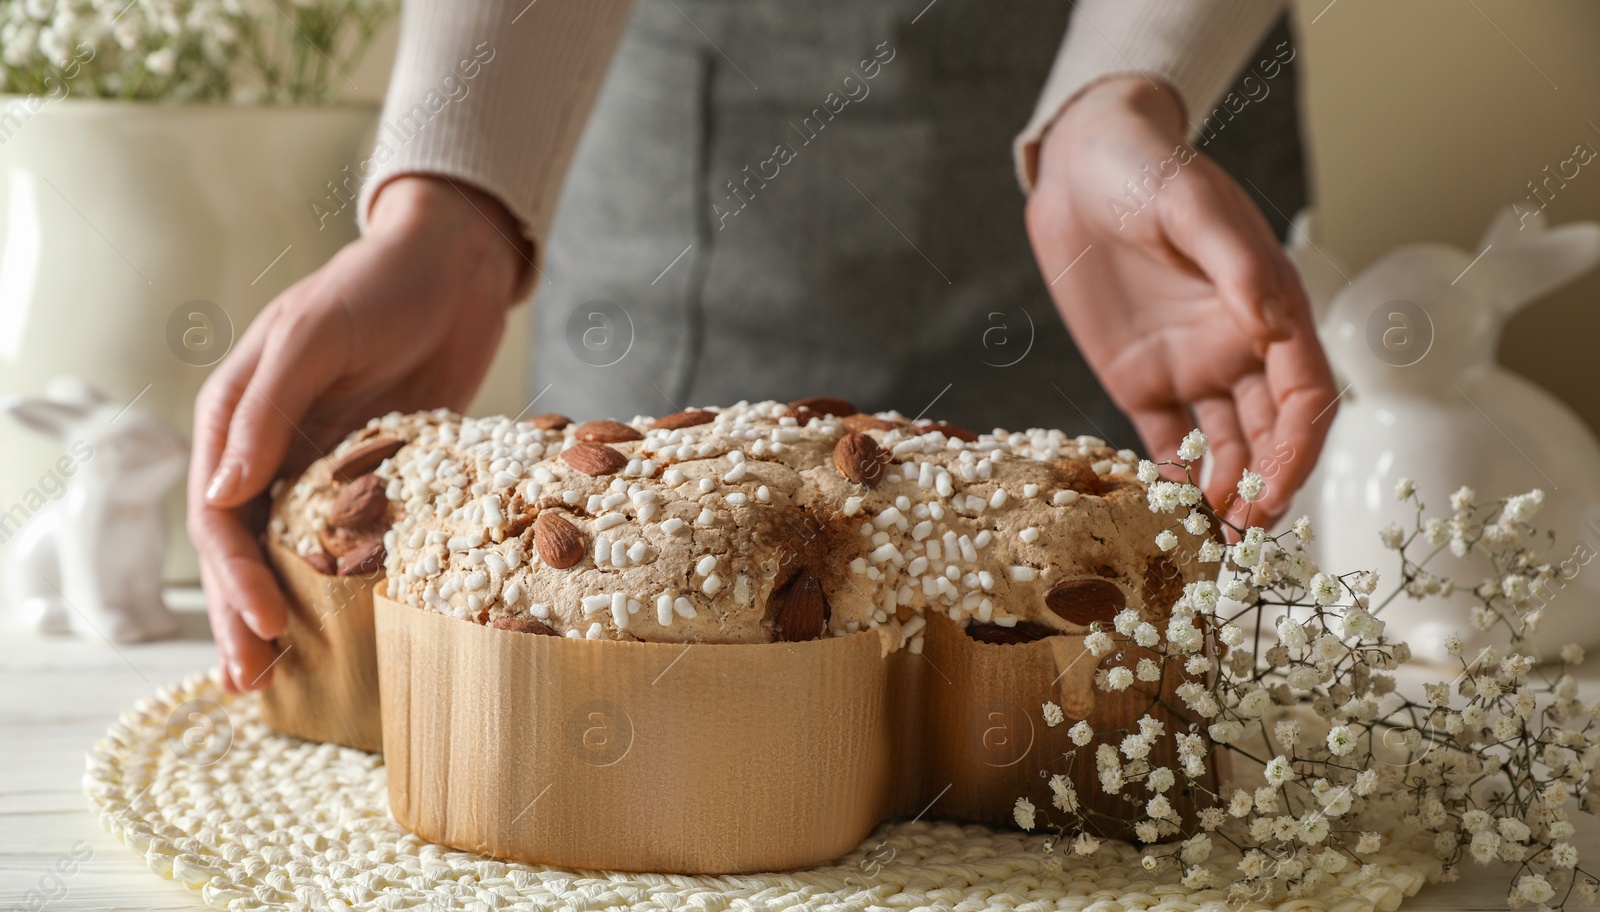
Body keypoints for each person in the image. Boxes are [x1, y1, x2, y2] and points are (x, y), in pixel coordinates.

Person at [189, 0, 1336, 693]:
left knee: (1122, 630)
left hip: (1143, 191)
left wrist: (1128, 86)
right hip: (692, 175)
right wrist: (451, 201)